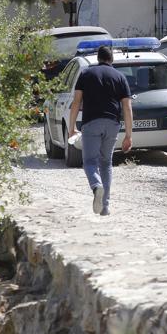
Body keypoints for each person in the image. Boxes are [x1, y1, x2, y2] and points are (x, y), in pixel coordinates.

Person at [68, 46, 134, 215]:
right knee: (106, 163)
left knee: (90, 162)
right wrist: (128, 135)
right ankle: (105, 207)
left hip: (92, 123)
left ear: (98, 58)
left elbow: (76, 102)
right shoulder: (120, 77)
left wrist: (72, 127)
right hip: (112, 124)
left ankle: (96, 186)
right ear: (111, 59)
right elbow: (127, 107)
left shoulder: (85, 74)